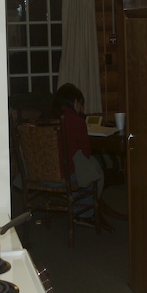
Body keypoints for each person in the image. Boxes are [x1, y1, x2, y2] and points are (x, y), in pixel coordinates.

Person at [52, 83, 104, 218]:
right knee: (94, 165)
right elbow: (86, 153)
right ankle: (85, 212)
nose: (81, 109)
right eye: (81, 105)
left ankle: (72, 204)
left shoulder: (44, 118)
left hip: (38, 175)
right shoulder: (76, 121)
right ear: (75, 102)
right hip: (65, 176)